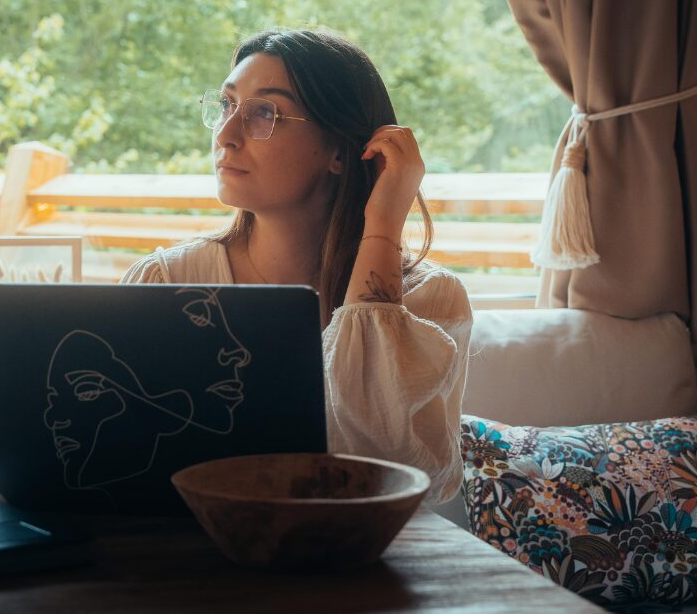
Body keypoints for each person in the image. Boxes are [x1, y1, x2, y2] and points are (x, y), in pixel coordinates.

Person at [122, 28, 472, 502]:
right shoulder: (167, 283)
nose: (225, 136)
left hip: (360, 559)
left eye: (263, 113)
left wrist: (384, 224)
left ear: (339, 152)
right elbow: (124, 464)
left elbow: (394, 471)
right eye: (226, 106)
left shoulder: (426, 300)